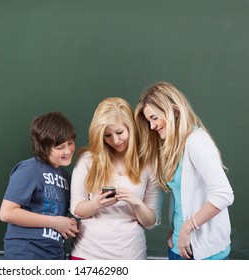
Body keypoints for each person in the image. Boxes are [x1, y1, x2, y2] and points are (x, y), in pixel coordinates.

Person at [134, 82, 234, 260]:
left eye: (155, 118)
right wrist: (176, 228)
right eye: (149, 120)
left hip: (203, 254)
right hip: (179, 245)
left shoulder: (196, 141)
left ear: (174, 110)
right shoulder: (173, 147)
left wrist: (187, 228)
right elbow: (183, 196)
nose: (152, 126)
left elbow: (224, 194)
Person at [70, 97, 163, 260]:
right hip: (87, 254)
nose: (115, 140)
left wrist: (137, 203)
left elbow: (151, 221)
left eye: (120, 132)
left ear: (131, 128)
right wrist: (97, 203)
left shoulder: (149, 164)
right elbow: (77, 209)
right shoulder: (87, 160)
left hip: (131, 255)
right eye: (107, 135)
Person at [0, 111, 79, 260]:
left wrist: (67, 223)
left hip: (54, 254)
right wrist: (55, 222)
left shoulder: (66, 177)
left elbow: (58, 217)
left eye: (70, 143)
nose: (68, 151)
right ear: (44, 146)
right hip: (27, 253)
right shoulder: (29, 169)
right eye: (60, 147)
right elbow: (7, 213)